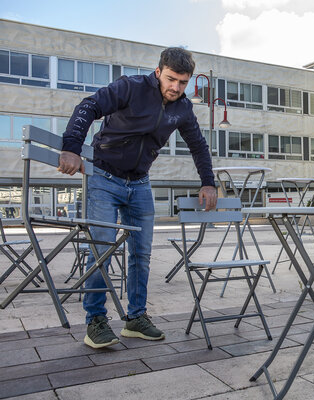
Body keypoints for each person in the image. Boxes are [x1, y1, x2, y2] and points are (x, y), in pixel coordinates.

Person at [58, 47, 217, 349]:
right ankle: (96, 322)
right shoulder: (130, 87)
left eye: (183, 83)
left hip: (140, 183)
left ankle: (136, 318)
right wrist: (71, 146)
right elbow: (87, 106)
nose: (176, 88)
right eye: (171, 79)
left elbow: (198, 145)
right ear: (158, 72)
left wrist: (209, 183)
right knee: (101, 249)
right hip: (104, 177)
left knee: (141, 254)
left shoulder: (182, 108)